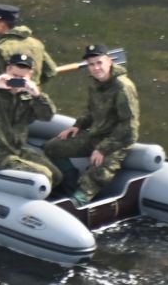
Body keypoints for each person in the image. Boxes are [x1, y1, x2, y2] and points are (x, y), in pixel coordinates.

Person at [44, 44, 139, 207]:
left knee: (98, 172)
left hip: (117, 141)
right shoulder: (95, 83)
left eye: (99, 62)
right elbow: (91, 110)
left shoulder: (123, 87)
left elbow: (129, 127)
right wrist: (79, 125)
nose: (96, 68)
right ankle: (70, 184)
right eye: (91, 64)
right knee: (52, 147)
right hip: (96, 134)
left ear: (109, 61)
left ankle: (77, 202)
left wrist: (103, 149)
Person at [0, 52, 57, 184]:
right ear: (7, 71)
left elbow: (47, 116)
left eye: (21, 78)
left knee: (56, 175)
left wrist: (37, 95)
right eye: (14, 76)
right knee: (44, 174)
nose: (17, 81)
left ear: (30, 75)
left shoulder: (28, 96)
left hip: (17, 150)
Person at [0, 3, 61, 84]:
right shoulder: (36, 43)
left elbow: (0, 79)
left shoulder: (2, 47)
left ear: (2, 24)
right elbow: (51, 71)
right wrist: (34, 82)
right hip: (32, 93)